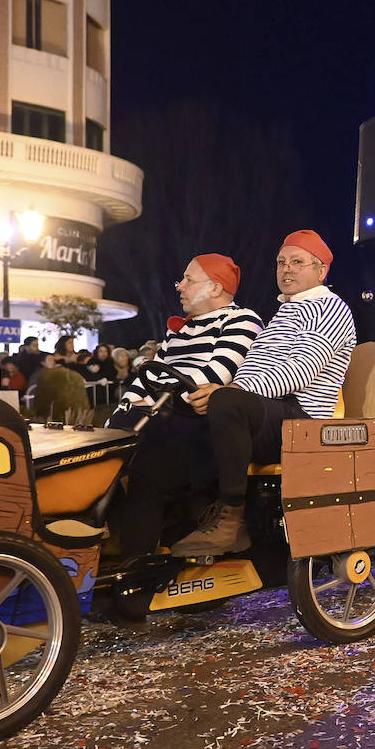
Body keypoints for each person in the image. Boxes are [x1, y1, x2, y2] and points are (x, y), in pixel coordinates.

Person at [164, 230, 356, 558]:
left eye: (298, 262)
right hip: (268, 413)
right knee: (180, 420)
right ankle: (181, 520)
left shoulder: (330, 308)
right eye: (281, 262)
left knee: (226, 401)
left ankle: (232, 519)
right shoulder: (285, 312)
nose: (287, 269)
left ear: (321, 270)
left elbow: (302, 370)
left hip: (302, 420)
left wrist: (231, 391)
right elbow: (252, 371)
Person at [111, 254, 264, 598]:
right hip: (166, 419)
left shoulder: (242, 320)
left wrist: (149, 406)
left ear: (215, 286)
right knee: (106, 449)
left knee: (145, 468)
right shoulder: (176, 330)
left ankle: (135, 590)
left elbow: (210, 378)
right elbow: (151, 374)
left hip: (204, 428)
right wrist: (125, 409)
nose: (179, 286)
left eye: (188, 279)